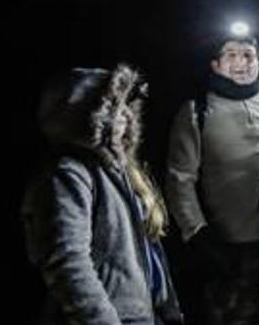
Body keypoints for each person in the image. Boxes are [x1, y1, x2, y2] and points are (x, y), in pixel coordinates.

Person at [24, 65, 183, 324]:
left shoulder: (120, 171)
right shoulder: (67, 174)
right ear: (82, 114)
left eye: (123, 107)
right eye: (111, 107)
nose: (123, 115)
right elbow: (68, 262)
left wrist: (167, 311)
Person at [167, 30, 259, 325]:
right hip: (230, 252)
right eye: (231, 54)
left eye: (248, 55)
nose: (241, 62)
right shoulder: (198, 112)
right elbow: (180, 178)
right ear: (215, 64)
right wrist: (197, 232)